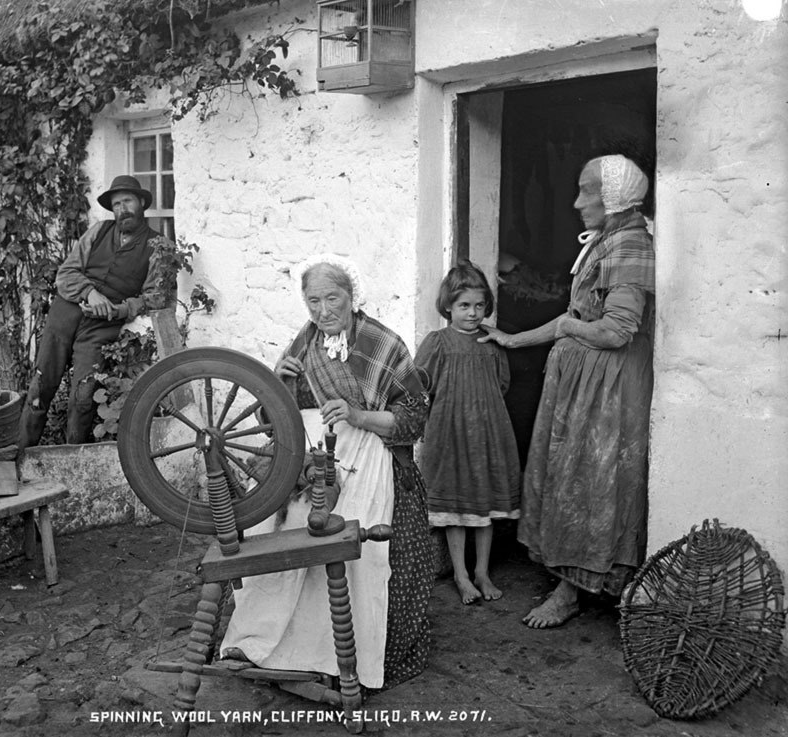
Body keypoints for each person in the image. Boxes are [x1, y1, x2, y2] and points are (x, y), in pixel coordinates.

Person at [219, 254, 433, 690]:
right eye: (312, 301)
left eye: (331, 298)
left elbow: (414, 420)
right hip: (318, 456)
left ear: (352, 298)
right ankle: (270, 645)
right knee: (284, 532)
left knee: (357, 549)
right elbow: (274, 415)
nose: (322, 311)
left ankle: (341, 659)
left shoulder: (383, 344)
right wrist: (279, 382)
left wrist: (357, 415)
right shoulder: (304, 343)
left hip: (373, 455)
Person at [478, 154, 655, 628]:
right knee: (572, 476)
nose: (577, 202)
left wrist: (566, 328)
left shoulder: (631, 244)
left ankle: (575, 590)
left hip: (608, 387)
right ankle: (573, 581)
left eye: (586, 192)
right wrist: (513, 339)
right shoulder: (609, 239)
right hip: (585, 381)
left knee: (591, 482)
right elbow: (573, 320)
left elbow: (618, 330)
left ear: (614, 197)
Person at [19, 175, 176, 447]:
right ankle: (21, 454)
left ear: (141, 203)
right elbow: (66, 273)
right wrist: (90, 292)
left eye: (127, 201)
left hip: (102, 327)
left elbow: (153, 298)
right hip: (65, 314)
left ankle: (73, 460)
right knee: (40, 386)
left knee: (83, 396)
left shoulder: (158, 246)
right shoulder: (99, 231)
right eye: (116, 204)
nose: (122, 209)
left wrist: (119, 310)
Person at [414, 260, 520, 605]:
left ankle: (482, 572)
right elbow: (419, 386)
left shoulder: (492, 341)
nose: (472, 313)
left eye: (478, 305)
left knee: (484, 503)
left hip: (488, 432)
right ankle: (460, 574)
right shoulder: (438, 343)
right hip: (450, 433)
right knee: (457, 504)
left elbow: (502, 384)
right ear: (448, 306)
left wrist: (483, 414)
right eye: (464, 306)